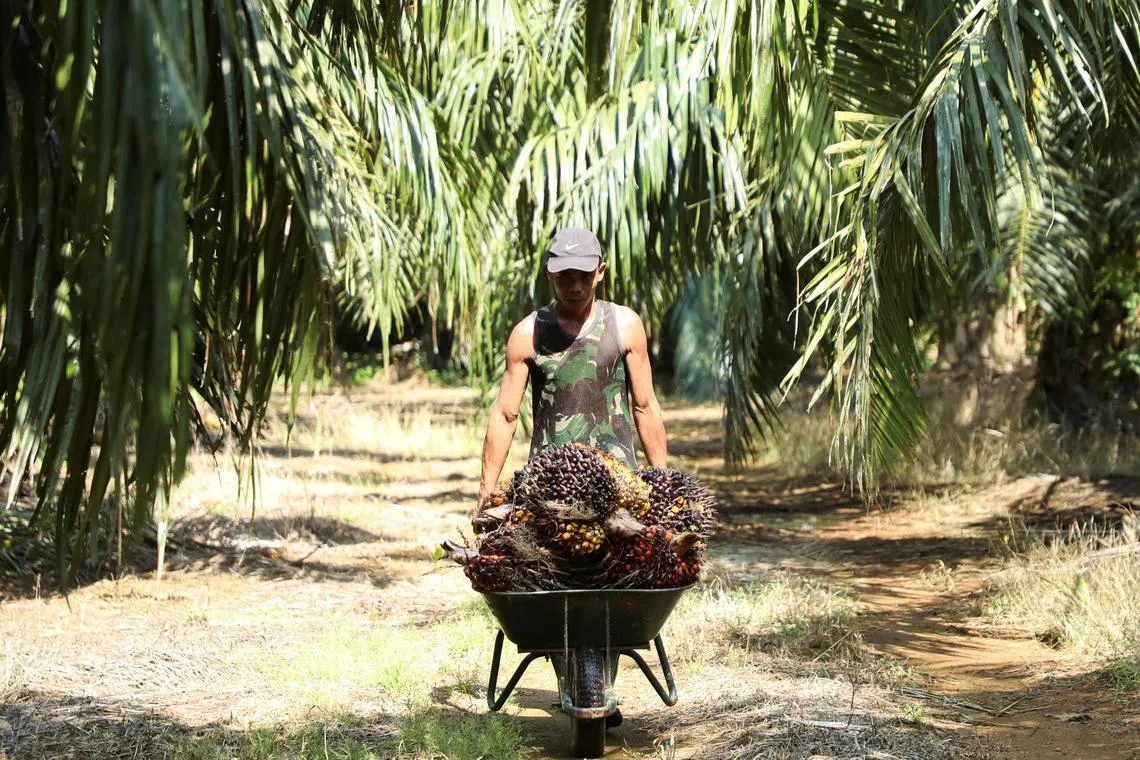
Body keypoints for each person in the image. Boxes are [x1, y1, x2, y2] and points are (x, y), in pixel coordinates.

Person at [475, 226, 668, 514]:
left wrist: (663, 484)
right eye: (565, 276)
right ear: (550, 274)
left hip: (617, 487)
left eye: (585, 275)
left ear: (600, 272)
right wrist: (486, 491)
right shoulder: (528, 333)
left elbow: (645, 407)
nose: (575, 287)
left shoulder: (625, 326)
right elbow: (505, 415)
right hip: (549, 488)